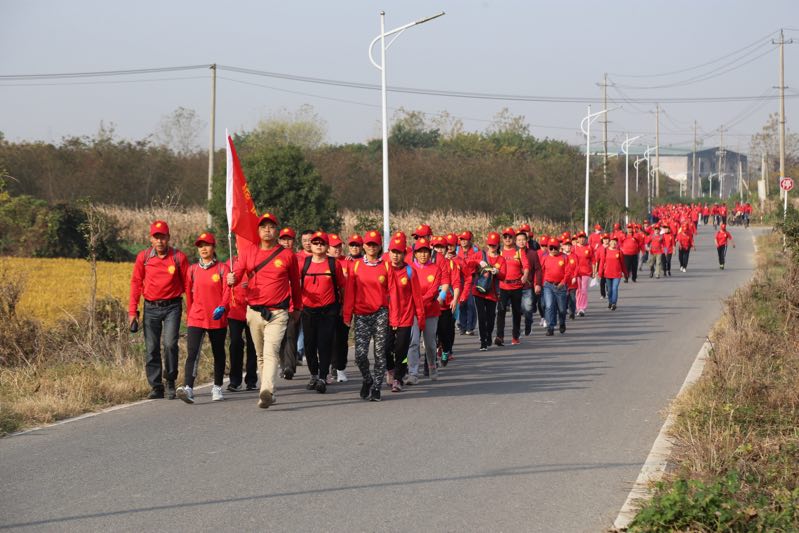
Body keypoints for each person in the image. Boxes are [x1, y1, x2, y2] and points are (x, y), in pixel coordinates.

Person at [228, 212, 303, 409]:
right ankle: (266, 391)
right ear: (258, 231)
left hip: (278, 312)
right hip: (253, 311)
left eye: (271, 227)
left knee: (270, 352)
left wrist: (298, 308)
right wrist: (231, 278)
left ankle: (267, 390)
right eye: (263, 227)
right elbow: (237, 273)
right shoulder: (248, 252)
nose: (267, 230)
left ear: (276, 231)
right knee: (260, 354)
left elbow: (295, 284)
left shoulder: (287, 255)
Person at [129, 220, 189, 400]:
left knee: (170, 344)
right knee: (151, 348)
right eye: (156, 238)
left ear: (168, 238)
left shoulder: (179, 258)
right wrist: (132, 311)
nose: (160, 241)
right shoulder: (144, 258)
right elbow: (136, 283)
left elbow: (188, 284)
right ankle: (156, 386)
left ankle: (170, 380)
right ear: (151, 239)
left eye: (163, 237)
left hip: (172, 306)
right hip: (151, 307)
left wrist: (192, 311)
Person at [177, 233, 231, 404]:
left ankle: (217, 387)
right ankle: (188, 388)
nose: (204, 249)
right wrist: (191, 312)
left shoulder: (223, 269)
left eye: (207, 245)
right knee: (192, 353)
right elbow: (189, 293)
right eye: (200, 246)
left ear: (213, 248)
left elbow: (227, 292)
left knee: (218, 353)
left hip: (216, 317)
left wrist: (223, 306)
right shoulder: (192, 270)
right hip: (197, 317)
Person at [343, 230, 389, 401]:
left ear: (379, 247)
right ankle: (367, 379)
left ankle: (377, 387)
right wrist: (347, 315)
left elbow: (392, 290)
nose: (371, 247)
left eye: (374, 244)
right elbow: (349, 292)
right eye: (368, 244)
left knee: (379, 352)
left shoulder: (385, 266)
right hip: (361, 314)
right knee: (360, 355)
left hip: (381, 313)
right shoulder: (355, 266)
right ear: (364, 246)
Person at [299, 231, 346, 394]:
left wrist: (343, 307)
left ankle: (322, 377)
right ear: (310, 245)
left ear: (327, 246)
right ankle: (313, 374)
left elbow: (342, 286)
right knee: (309, 345)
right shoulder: (303, 264)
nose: (319, 245)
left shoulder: (334, 264)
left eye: (322, 243)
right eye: (315, 243)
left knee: (324, 344)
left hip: (328, 310)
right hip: (308, 311)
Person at [385, 234, 425, 393]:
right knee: (385, 348)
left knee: (401, 351)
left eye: (399, 252)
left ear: (404, 253)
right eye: (393, 251)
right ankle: (390, 369)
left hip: (405, 317)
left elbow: (417, 297)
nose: (395, 255)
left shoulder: (410, 272)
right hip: (387, 317)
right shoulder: (384, 268)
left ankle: (398, 378)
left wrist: (420, 318)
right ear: (389, 252)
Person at [407, 237, 446, 383]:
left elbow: (433, 291)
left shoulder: (435, 269)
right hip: (414, 312)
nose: (423, 255)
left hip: (430, 311)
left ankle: (432, 366)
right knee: (413, 342)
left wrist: (419, 302)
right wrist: (415, 304)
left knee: (430, 343)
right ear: (415, 253)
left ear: (430, 253)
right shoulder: (409, 268)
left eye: (426, 252)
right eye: (420, 252)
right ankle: (413, 373)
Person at [468, 232, 507, 351]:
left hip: (492, 292)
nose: (492, 247)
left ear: (498, 245)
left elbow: (503, 275)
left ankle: (489, 334)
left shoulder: (501, 259)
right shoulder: (480, 254)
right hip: (478, 290)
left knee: (490, 318)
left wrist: (497, 272)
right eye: (490, 245)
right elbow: (467, 263)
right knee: (482, 316)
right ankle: (483, 341)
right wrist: (478, 262)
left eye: (494, 245)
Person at [227, 255, 258, 392]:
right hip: (235, 309)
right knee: (235, 343)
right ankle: (234, 380)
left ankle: (251, 380)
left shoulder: (257, 259)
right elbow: (225, 283)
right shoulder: (231, 262)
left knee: (253, 344)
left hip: (253, 307)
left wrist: (252, 283)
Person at [495, 227, 529, 346]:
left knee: (516, 312)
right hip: (503, 286)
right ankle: (500, 336)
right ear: (503, 239)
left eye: (510, 237)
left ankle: (515, 336)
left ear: (514, 238)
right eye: (505, 237)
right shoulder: (499, 252)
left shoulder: (519, 252)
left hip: (516, 286)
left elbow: (526, 266)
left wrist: (525, 275)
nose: (508, 239)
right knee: (501, 311)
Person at [433, 236, 461, 367]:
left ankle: (445, 351)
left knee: (445, 331)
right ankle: (431, 359)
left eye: (442, 247)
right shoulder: (429, 263)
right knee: (433, 333)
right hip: (431, 305)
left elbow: (456, 283)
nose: (439, 250)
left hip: (446, 305)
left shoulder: (451, 264)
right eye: (436, 247)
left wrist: (455, 299)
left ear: (446, 249)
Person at [327, 234, 350, 384]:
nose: (338, 249)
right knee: (328, 338)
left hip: (344, 306)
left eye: (339, 246)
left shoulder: (347, 263)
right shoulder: (323, 262)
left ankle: (340, 368)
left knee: (341, 338)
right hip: (327, 307)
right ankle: (329, 367)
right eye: (334, 246)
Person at [541, 237, 575, 336]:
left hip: (561, 286)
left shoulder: (564, 257)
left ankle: (562, 323)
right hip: (548, 285)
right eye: (550, 248)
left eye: (555, 248)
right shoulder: (545, 257)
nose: (553, 250)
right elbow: (540, 271)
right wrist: (539, 283)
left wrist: (563, 282)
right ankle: (550, 327)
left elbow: (568, 272)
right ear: (548, 248)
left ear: (559, 247)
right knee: (549, 306)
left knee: (562, 309)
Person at [278, 227, 300, 380]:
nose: (286, 242)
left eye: (289, 239)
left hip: (294, 304)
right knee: (279, 338)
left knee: (291, 336)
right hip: (278, 304)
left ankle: (289, 366)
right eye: (283, 239)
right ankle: (284, 364)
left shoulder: (298, 259)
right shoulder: (275, 257)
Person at [516, 231, 543, 334]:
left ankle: (528, 324)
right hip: (514, 286)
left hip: (528, 286)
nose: (521, 242)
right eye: (519, 240)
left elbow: (538, 269)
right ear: (516, 241)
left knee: (528, 308)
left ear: (527, 240)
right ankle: (517, 329)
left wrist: (537, 284)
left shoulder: (532, 253)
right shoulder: (512, 253)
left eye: (523, 239)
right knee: (517, 310)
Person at [456, 231, 480, 336]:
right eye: (461, 239)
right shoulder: (457, 250)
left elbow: (480, 264)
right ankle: (462, 325)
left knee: (470, 303)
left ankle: (470, 327)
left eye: (465, 239)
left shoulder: (475, 250)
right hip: (459, 279)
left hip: (472, 279)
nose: (463, 242)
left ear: (470, 240)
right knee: (461, 303)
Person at [598, 237, 627, 311]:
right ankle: (610, 302)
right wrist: (600, 272)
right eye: (612, 242)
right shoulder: (605, 251)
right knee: (610, 290)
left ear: (617, 243)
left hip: (617, 274)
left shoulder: (619, 252)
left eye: (615, 242)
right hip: (607, 273)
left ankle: (614, 303)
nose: (613, 243)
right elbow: (601, 262)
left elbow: (622, 263)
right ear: (609, 243)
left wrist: (625, 273)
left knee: (615, 288)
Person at [573, 231, 594, 316]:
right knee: (578, 290)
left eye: (583, 238)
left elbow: (593, 260)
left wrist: (594, 271)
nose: (581, 239)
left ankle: (582, 308)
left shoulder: (589, 247)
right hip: (576, 272)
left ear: (585, 238)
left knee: (584, 290)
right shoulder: (573, 248)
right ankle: (578, 307)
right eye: (580, 237)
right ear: (577, 239)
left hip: (586, 271)